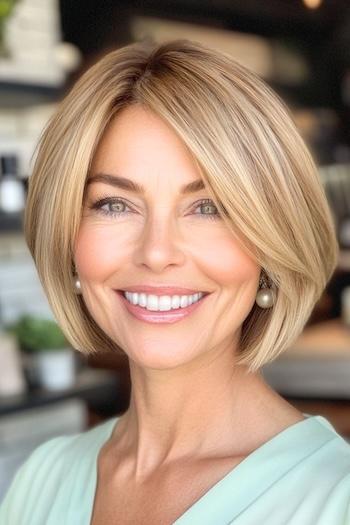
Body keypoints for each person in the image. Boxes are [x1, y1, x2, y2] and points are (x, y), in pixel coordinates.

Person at [0, 38, 349, 525]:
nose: (157, 252)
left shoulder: (336, 500)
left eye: (209, 207)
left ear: (272, 243)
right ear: (66, 235)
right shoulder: (41, 478)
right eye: (114, 204)